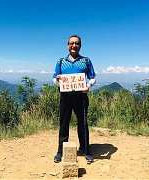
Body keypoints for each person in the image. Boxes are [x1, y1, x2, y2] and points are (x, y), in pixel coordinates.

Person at [53, 34, 96, 164]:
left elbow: (93, 77)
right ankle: (60, 151)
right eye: (71, 43)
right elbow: (54, 77)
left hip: (81, 97)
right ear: (67, 45)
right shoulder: (61, 61)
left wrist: (88, 85)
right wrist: (59, 82)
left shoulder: (86, 61)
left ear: (80, 45)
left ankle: (86, 150)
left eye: (77, 43)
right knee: (63, 123)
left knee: (83, 123)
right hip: (65, 97)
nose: (74, 45)